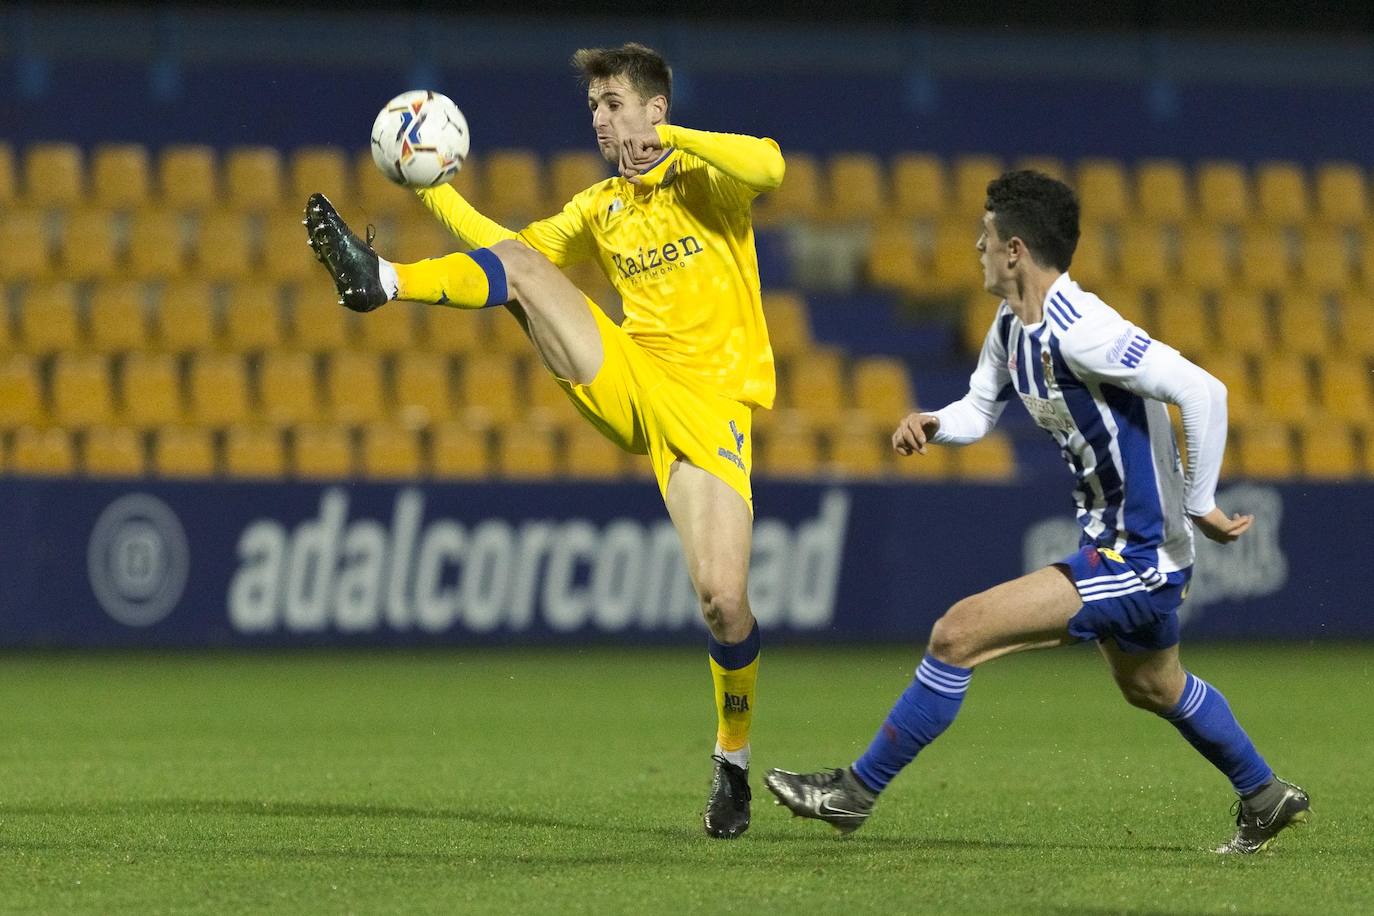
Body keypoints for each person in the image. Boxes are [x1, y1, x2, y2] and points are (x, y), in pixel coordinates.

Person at [304, 42, 784, 839]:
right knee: (523, 269)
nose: (599, 118)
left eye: (613, 103)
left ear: (654, 110)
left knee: (724, 602)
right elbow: (511, 253)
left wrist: (680, 141)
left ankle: (731, 765)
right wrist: (435, 191)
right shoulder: (599, 207)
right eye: (593, 106)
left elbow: (770, 166)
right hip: (632, 377)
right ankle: (383, 281)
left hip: (711, 411)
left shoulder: (706, 178)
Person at [765, 170, 1310, 855]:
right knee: (1152, 684)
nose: (977, 247)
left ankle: (854, 793)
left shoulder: (1085, 331)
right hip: (1111, 543)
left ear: (1015, 249)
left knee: (956, 632)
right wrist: (936, 422)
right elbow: (978, 408)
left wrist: (1200, 502)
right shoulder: (1010, 326)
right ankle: (1265, 793)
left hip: (1137, 555)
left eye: (985, 237)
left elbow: (1205, 392)